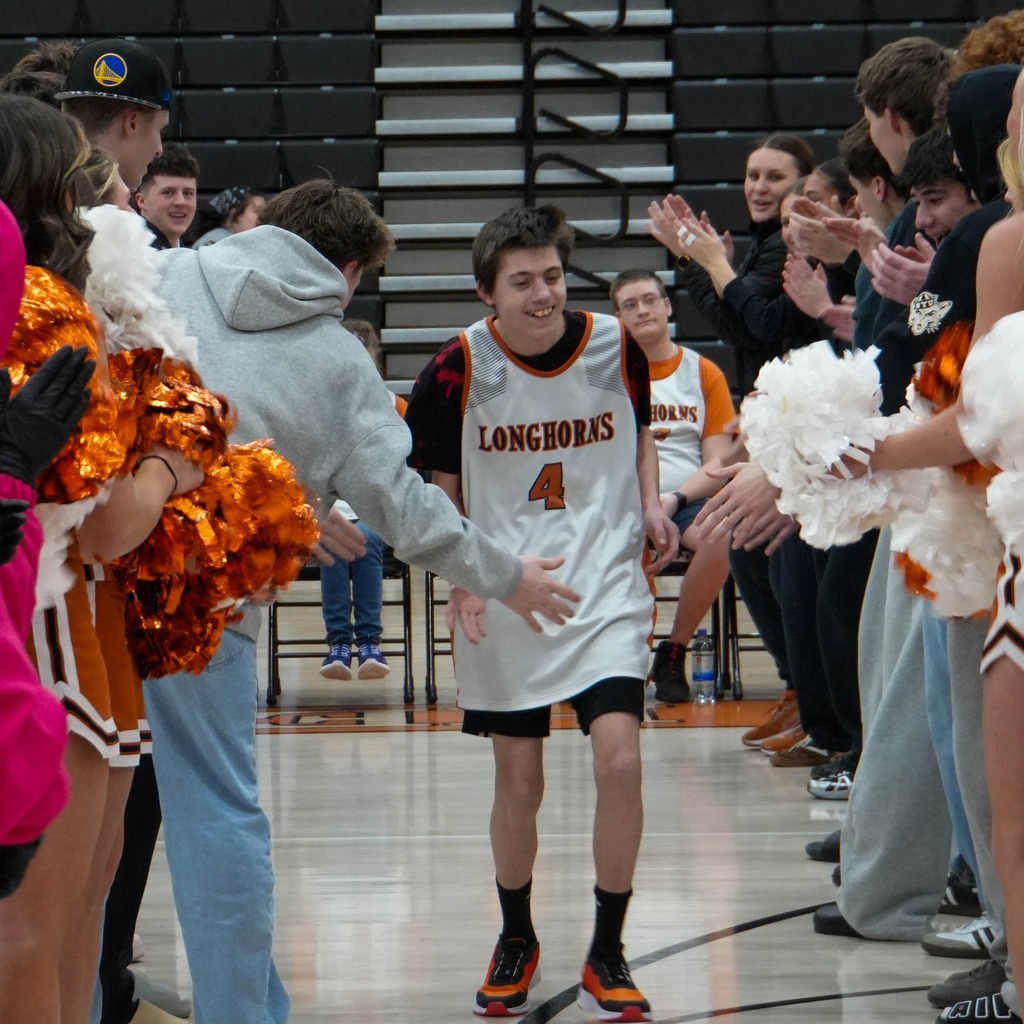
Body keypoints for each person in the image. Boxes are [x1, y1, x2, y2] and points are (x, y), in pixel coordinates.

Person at [143, 182, 581, 1024]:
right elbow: (407, 511)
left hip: (91, 566)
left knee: (94, 806)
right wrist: (504, 574)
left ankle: (79, 997)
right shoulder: (340, 359)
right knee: (215, 813)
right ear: (346, 271)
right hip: (205, 599)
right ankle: (241, 1015)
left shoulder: (168, 273)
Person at [405, 204, 677, 1021]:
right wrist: (460, 580)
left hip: (605, 582)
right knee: (518, 784)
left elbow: (641, 435)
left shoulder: (613, 343)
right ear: (486, 291)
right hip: (507, 586)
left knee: (620, 761)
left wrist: (654, 504)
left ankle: (609, 947)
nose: (542, 294)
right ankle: (516, 935)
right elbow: (438, 493)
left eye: (552, 275)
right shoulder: (456, 368)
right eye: (521, 281)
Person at [609, 269, 735, 703]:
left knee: (720, 535)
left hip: (686, 499)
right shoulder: (607, 377)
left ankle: (674, 651)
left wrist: (674, 498)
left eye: (649, 299)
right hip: (621, 503)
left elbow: (718, 460)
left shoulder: (703, 373)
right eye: (629, 305)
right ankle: (607, 662)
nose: (641, 310)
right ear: (618, 318)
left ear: (667, 306)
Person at [318, 319, 405, 681]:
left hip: (375, 508)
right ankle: (339, 643)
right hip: (330, 509)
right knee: (335, 538)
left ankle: (368, 640)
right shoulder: (318, 405)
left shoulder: (395, 407)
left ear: (375, 360)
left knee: (365, 538)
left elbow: (404, 468)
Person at [133, 143, 199, 250]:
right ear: (142, 201)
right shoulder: (128, 253)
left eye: (188, 193)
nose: (181, 202)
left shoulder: (186, 255)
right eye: (168, 193)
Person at [192, 186, 266, 248]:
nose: (263, 217)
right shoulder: (210, 245)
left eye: (265, 212)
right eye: (257, 211)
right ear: (233, 214)